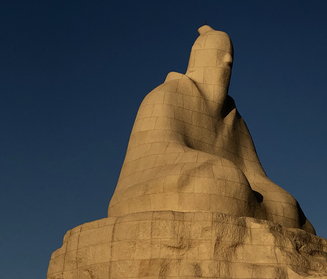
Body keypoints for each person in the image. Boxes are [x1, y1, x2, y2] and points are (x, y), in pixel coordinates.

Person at [108, 25, 315, 233]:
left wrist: (280, 199)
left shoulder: (235, 119)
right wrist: (220, 168)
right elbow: (156, 153)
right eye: (220, 55)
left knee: (285, 204)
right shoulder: (166, 94)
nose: (226, 62)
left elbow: (255, 174)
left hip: (225, 180)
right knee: (221, 178)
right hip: (154, 182)